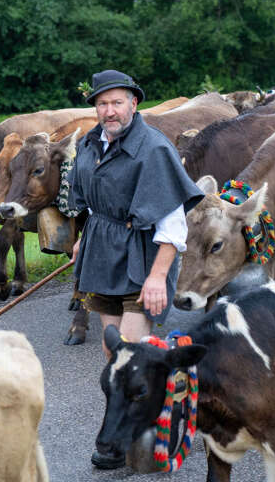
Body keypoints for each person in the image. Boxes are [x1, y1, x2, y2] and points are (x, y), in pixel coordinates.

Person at [68, 69, 204, 469]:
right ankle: (124, 437)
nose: (109, 111)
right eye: (102, 103)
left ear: (133, 103)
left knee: (134, 358)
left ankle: (134, 448)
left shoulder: (153, 149)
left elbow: (173, 225)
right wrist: (83, 237)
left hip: (142, 259)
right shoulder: (92, 144)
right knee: (115, 357)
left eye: (117, 102)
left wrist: (159, 276)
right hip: (102, 253)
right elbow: (96, 201)